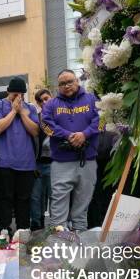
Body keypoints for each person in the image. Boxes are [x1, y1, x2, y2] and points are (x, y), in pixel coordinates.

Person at [42, 69, 99, 231]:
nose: (66, 86)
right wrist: (68, 135)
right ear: (57, 87)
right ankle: (59, 245)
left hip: (87, 160)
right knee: (58, 205)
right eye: (62, 84)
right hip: (61, 162)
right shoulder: (51, 104)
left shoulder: (92, 99)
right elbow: (46, 125)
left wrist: (85, 134)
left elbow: (101, 121)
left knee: (82, 206)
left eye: (70, 82)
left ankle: (80, 242)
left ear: (77, 81)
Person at [0, 77, 39, 233]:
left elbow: (35, 131)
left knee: (24, 200)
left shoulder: (30, 108)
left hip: (27, 163)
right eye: (14, 95)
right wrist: (13, 111)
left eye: (20, 95)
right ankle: (4, 229)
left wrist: (22, 113)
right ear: (7, 92)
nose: (17, 98)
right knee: (5, 198)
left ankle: (23, 231)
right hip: (5, 162)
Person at [30, 88, 53, 230]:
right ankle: (37, 226)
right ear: (38, 103)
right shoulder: (36, 119)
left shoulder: (60, 116)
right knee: (36, 197)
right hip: (37, 163)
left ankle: (58, 226)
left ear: (51, 97)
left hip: (55, 163)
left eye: (46, 98)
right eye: (41, 100)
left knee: (55, 197)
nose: (45, 102)